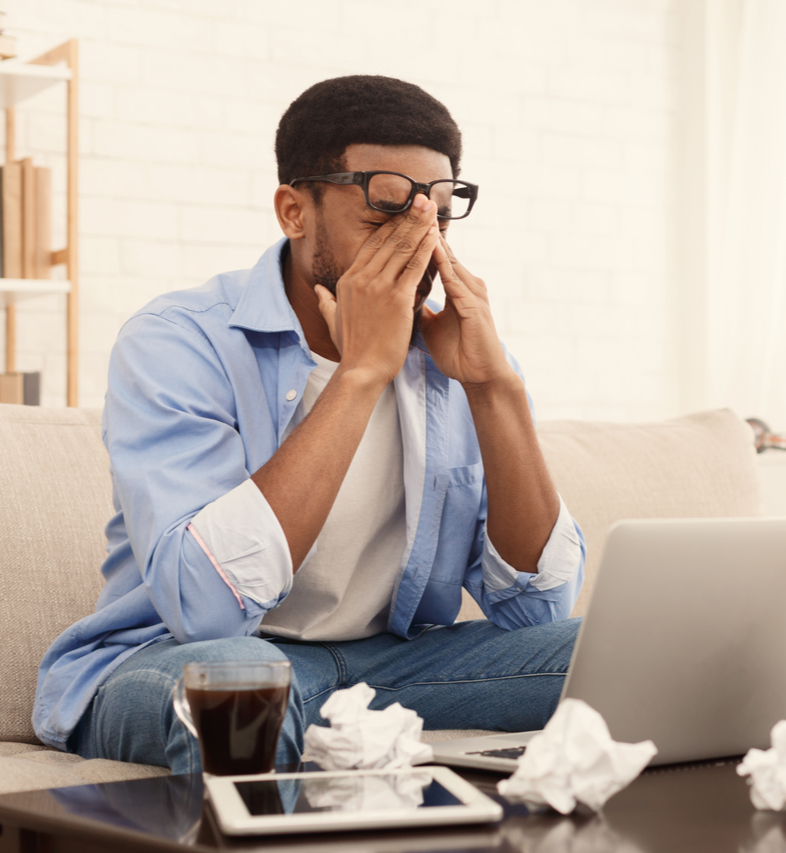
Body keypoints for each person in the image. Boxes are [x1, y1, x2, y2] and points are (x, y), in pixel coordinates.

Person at [32, 75, 586, 773]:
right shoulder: (178, 340)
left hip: (389, 665)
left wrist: (495, 387)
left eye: (439, 215)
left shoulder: (456, 354)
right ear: (295, 211)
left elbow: (539, 616)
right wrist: (361, 374)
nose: (418, 243)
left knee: (627, 655)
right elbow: (205, 609)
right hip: (183, 656)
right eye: (387, 212)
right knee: (241, 686)